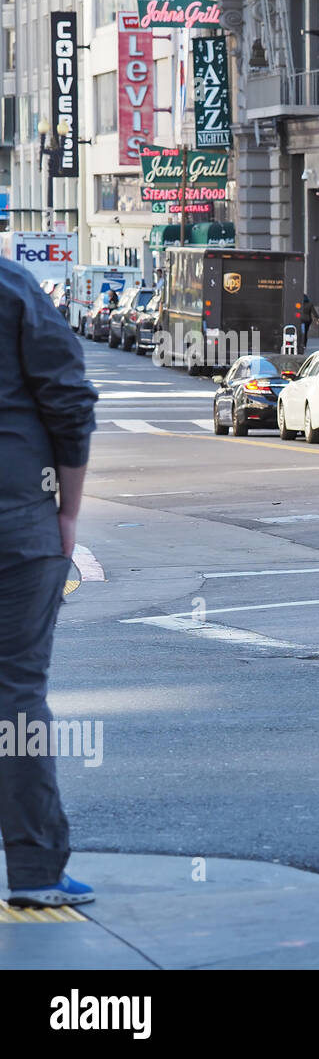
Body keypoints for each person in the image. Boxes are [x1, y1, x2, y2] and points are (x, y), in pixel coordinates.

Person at [0, 256, 98, 907]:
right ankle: (35, 872)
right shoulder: (13, 288)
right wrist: (66, 510)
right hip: (16, 519)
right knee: (17, 694)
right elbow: (69, 397)